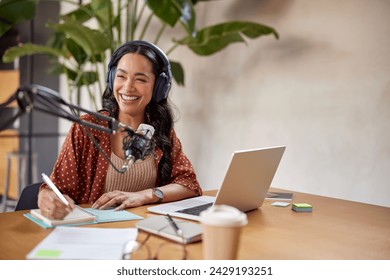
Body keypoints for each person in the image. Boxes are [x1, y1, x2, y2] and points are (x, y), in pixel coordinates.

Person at [37, 40, 202, 220]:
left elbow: (189, 184)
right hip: (95, 234)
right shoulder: (87, 128)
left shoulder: (159, 130)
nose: (127, 87)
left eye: (140, 79)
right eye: (121, 76)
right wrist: (48, 198)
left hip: (146, 234)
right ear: (111, 78)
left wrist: (144, 195)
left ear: (158, 88)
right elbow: (56, 190)